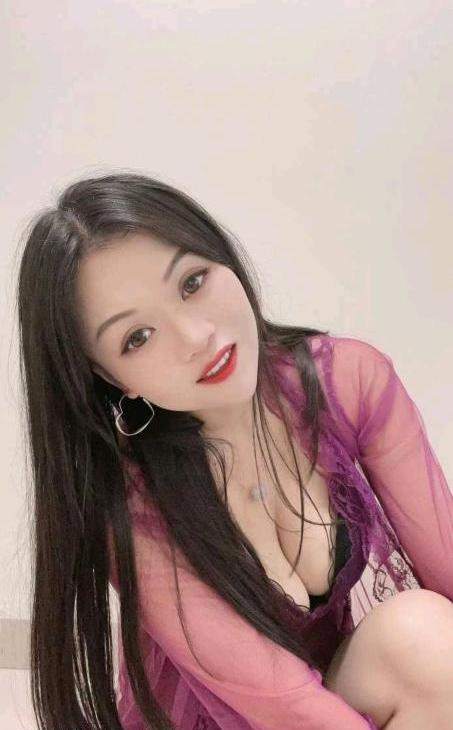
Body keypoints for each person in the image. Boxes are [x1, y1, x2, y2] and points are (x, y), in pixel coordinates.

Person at [15, 172, 453, 730]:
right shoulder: (134, 500)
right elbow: (285, 706)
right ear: (110, 378)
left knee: (422, 638)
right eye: (137, 338)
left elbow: (446, 568)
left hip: (338, 698)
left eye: (192, 282)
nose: (195, 336)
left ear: (220, 254)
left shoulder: (346, 381)